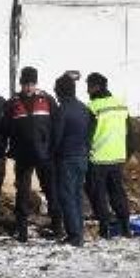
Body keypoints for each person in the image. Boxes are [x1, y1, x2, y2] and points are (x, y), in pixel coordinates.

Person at [1, 66, 61, 242]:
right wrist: (7, 149)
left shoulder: (47, 100)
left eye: (31, 84)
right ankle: (22, 231)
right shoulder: (12, 103)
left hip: (45, 155)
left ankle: (58, 227)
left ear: (36, 83)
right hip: (23, 156)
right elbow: (4, 129)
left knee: (51, 191)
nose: (28, 87)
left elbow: (57, 126)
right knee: (22, 193)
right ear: (21, 84)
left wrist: (53, 149)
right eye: (25, 84)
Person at [85, 73, 132, 239]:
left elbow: (87, 135)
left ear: (95, 87)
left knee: (98, 194)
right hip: (117, 157)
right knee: (117, 192)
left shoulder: (92, 107)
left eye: (88, 86)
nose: (87, 90)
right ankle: (125, 227)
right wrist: (126, 153)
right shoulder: (120, 105)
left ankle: (105, 228)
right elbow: (129, 134)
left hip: (98, 158)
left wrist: (86, 153)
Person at [51, 73, 93, 246]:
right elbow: (90, 132)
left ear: (60, 91)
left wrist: (51, 153)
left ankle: (74, 236)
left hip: (67, 157)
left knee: (66, 196)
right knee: (76, 195)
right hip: (82, 156)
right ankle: (79, 232)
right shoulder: (84, 108)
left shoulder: (62, 110)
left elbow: (57, 137)